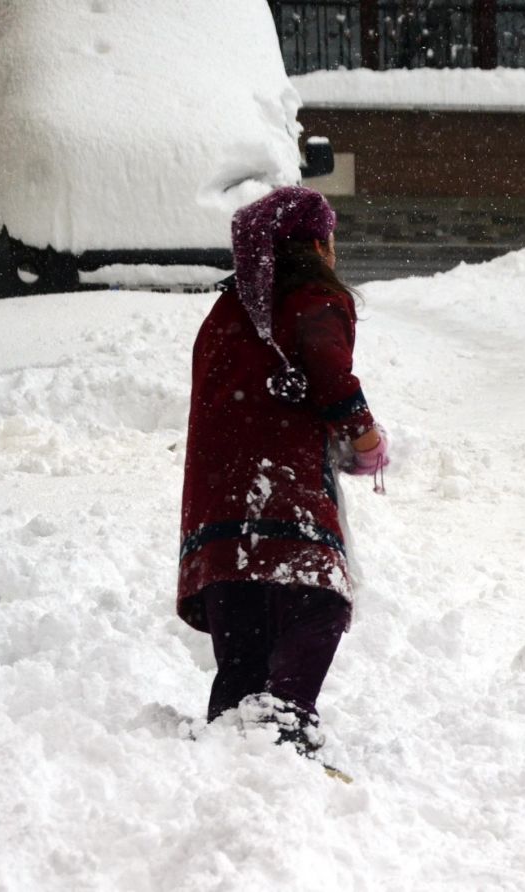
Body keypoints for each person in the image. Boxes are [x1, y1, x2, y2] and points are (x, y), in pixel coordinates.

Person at [178, 186, 388, 762]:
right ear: (315, 243)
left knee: (243, 632)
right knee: (320, 599)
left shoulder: (226, 311)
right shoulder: (314, 298)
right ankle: (286, 718)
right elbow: (330, 374)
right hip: (282, 488)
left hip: (217, 502)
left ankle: (230, 740)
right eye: (331, 239)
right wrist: (366, 438)